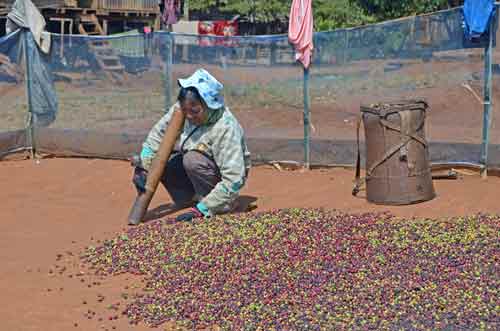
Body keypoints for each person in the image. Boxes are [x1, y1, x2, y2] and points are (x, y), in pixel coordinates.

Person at [132, 68, 251, 222]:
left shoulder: (225, 128)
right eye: (185, 110)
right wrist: (144, 166)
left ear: (210, 104)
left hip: (219, 177)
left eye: (194, 111)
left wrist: (202, 209)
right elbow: (159, 135)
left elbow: (233, 179)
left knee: (192, 160)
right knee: (163, 158)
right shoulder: (183, 108)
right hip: (195, 161)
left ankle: (221, 204)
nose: (188, 116)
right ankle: (191, 197)